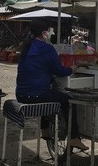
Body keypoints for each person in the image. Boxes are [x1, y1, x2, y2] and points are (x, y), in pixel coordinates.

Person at [15, 19, 88, 151]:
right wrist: (72, 68)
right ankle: (74, 138)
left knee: (49, 91)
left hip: (20, 95)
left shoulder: (26, 47)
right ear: (44, 33)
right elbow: (59, 71)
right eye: (49, 30)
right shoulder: (47, 49)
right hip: (35, 96)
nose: (51, 32)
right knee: (67, 100)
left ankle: (45, 130)